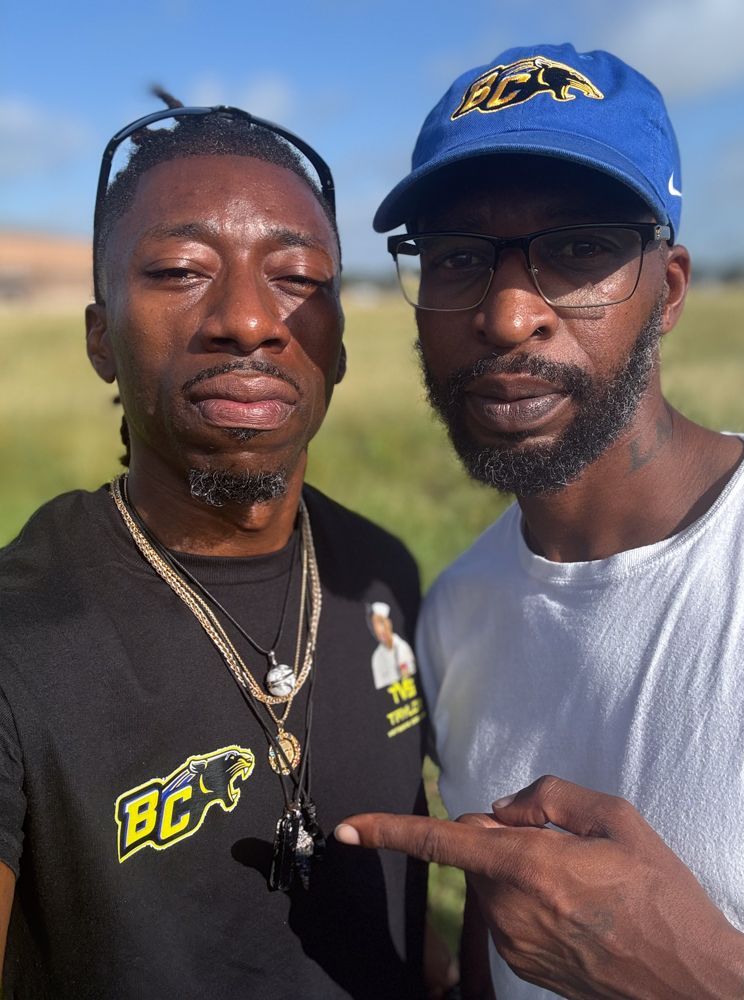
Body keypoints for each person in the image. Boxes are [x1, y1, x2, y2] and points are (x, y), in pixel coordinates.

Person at [335, 43, 744, 998]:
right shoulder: (455, 613)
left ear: (670, 288)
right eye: (457, 258)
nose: (510, 313)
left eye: (578, 249)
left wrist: (705, 976)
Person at [0, 94, 430, 998]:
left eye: (298, 277)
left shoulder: (383, 573)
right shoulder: (20, 634)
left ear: (339, 345)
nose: (247, 318)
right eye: (181, 269)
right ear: (99, 339)